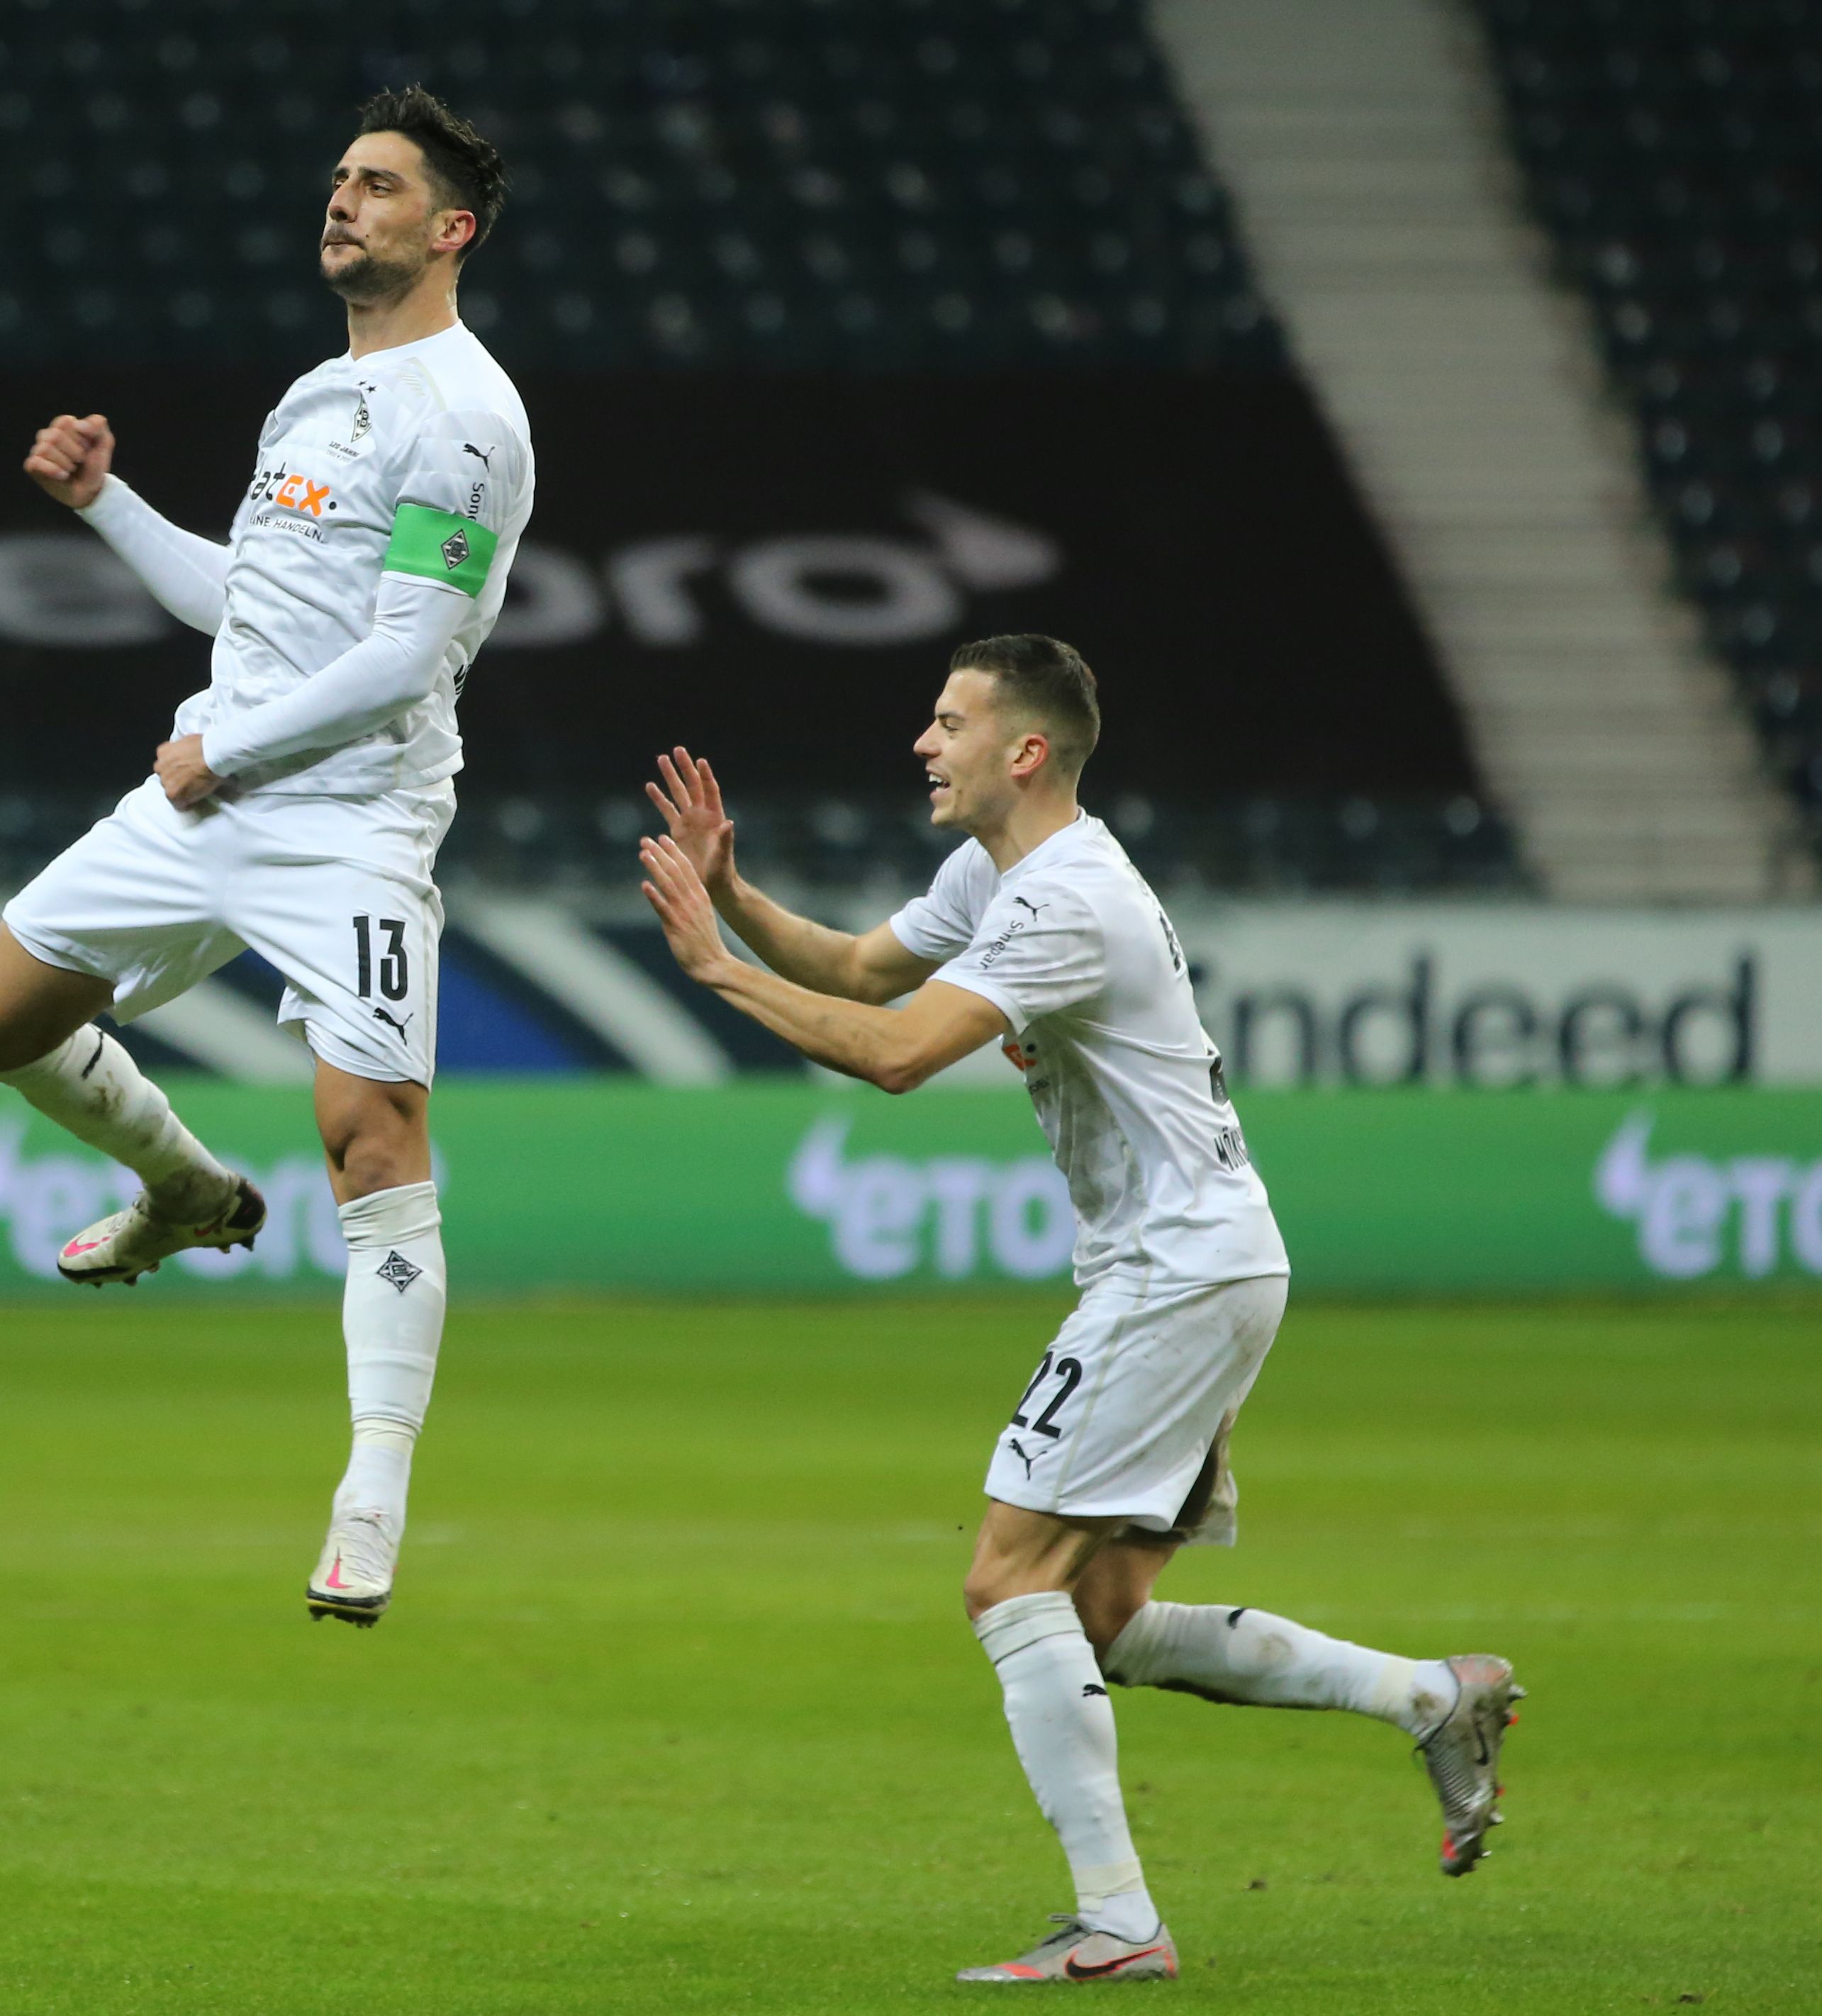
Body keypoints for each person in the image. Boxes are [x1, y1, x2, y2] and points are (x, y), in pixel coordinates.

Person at [636, 635, 1521, 1984]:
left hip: (1174, 1268)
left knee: (1005, 1577)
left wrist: (712, 968)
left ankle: (1118, 1917)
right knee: (1096, 1611)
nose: (923, 743)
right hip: (1202, 1260)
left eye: (948, 721)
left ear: (1024, 749)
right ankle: (1429, 1695)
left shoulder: (1067, 899)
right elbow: (867, 969)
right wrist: (738, 896)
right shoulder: (992, 873)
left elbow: (891, 1056)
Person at [0, 84, 532, 1627]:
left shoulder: (464, 415)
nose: (344, 200)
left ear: (449, 229)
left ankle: (372, 1496)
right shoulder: (308, 399)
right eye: (340, 177)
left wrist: (231, 751)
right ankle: (184, 1188)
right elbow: (246, 612)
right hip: (218, 786)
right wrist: (106, 504)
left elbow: (407, 660)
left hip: (347, 821)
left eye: (381, 186)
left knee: (371, 1142)